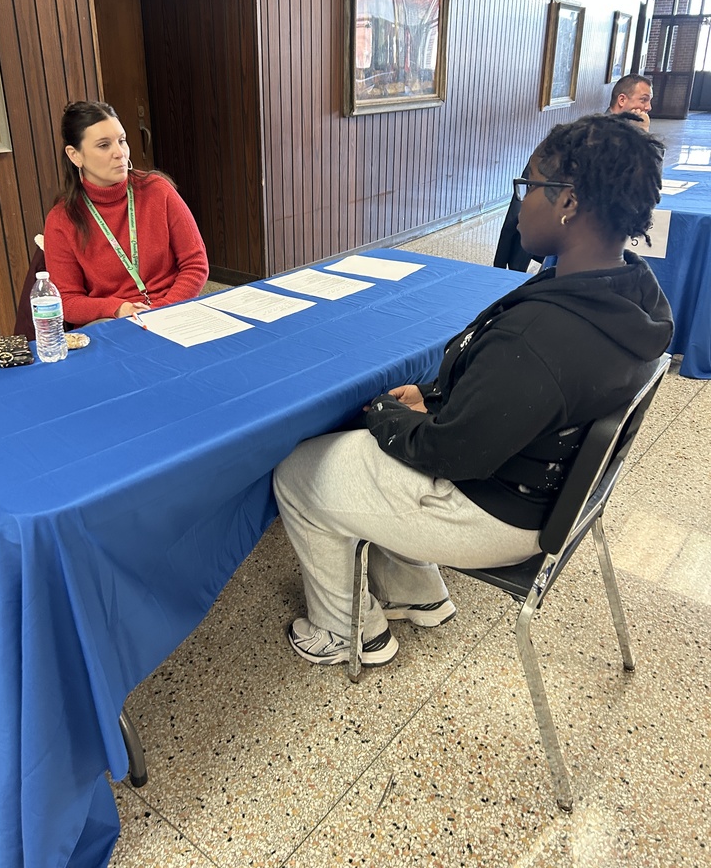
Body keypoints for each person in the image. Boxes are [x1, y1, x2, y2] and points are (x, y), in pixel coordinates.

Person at [273, 113, 673, 668]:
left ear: (568, 201)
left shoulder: (539, 337)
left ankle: (344, 631)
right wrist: (437, 401)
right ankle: (415, 592)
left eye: (529, 185)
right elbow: (510, 404)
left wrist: (387, 415)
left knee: (299, 471)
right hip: (544, 487)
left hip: (497, 515)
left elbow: (451, 452)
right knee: (377, 450)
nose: (520, 203)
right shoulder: (634, 291)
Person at [44, 101, 209, 327]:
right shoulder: (62, 219)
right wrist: (118, 309)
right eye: (104, 145)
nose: (119, 153)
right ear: (75, 156)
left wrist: (161, 311)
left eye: (121, 141)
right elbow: (67, 301)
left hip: (173, 310)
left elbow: (196, 264)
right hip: (113, 322)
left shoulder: (158, 190)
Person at [494, 77, 654, 271]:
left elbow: (646, 184)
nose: (648, 107)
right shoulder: (583, 141)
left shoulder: (627, 142)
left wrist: (643, 138)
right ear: (622, 100)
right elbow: (524, 205)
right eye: (644, 100)